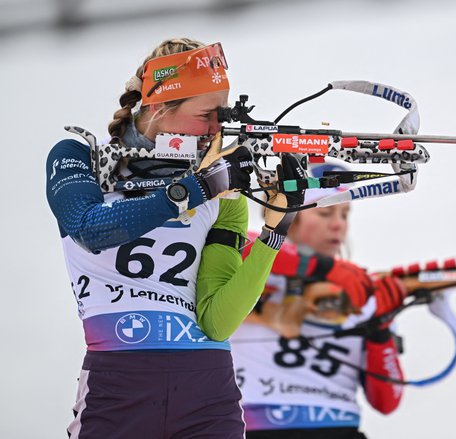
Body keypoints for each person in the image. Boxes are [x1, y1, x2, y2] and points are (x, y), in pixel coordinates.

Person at [46, 38, 302, 438]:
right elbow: (89, 228)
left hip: (207, 387)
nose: (217, 129)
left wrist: (275, 231)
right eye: (207, 115)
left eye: (223, 115)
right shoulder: (79, 155)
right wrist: (198, 188)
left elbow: (217, 323)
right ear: (160, 108)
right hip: (118, 383)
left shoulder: (223, 195)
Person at [227, 164, 409, 439]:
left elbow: (387, 402)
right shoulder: (245, 269)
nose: (338, 224)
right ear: (289, 215)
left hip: (337, 428)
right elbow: (236, 242)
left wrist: (380, 330)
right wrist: (323, 267)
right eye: (325, 213)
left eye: (345, 215)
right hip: (254, 427)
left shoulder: (360, 290)